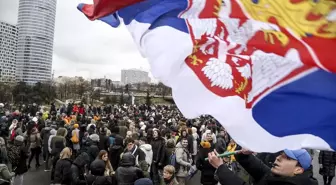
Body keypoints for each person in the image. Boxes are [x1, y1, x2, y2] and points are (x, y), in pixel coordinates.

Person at [208, 149, 318, 185]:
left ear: (298, 170)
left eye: (287, 158)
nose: (278, 158)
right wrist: (243, 153)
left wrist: (221, 167)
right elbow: (259, 168)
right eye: (280, 154)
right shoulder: (281, 177)